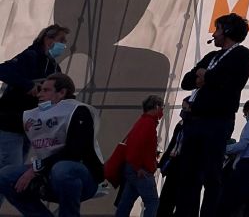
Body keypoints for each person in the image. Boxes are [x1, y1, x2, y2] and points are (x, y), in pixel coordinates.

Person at [170, 14, 249, 217]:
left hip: (217, 122)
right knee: (188, 174)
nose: (214, 34)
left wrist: (206, 75)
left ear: (227, 31)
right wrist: (205, 76)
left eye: (217, 29)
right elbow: (187, 81)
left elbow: (230, 83)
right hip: (195, 122)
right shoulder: (212, 56)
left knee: (211, 174)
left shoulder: (242, 55)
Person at [0, 73, 104, 217]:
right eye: (40, 90)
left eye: (46, 90)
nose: (39, 94)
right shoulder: (36, 114)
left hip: (82, 174)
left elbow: (75, 151)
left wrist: (35, 169)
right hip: (48, 172)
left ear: (62, 93)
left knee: (62, 169)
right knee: (5, 175)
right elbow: (8, 121)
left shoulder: (79, 111)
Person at [0, 26, 69, 170]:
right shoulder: (31, 55)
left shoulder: (54, 68)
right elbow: (3, 70)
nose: (64, 45)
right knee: (10, 169)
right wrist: (28, 85)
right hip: (10, 122)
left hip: (30, 127)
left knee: (18, 169)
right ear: (48, 39)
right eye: (61, 40)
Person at [114, 95, 164, 217]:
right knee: (152, 202)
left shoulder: (142, 121)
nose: (162, 111)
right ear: (157, 107)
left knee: (126, 201)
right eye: (162, 107)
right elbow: (135, 147)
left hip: (133, 168)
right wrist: (138, 168)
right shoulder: (148, 124)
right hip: (141, 170)